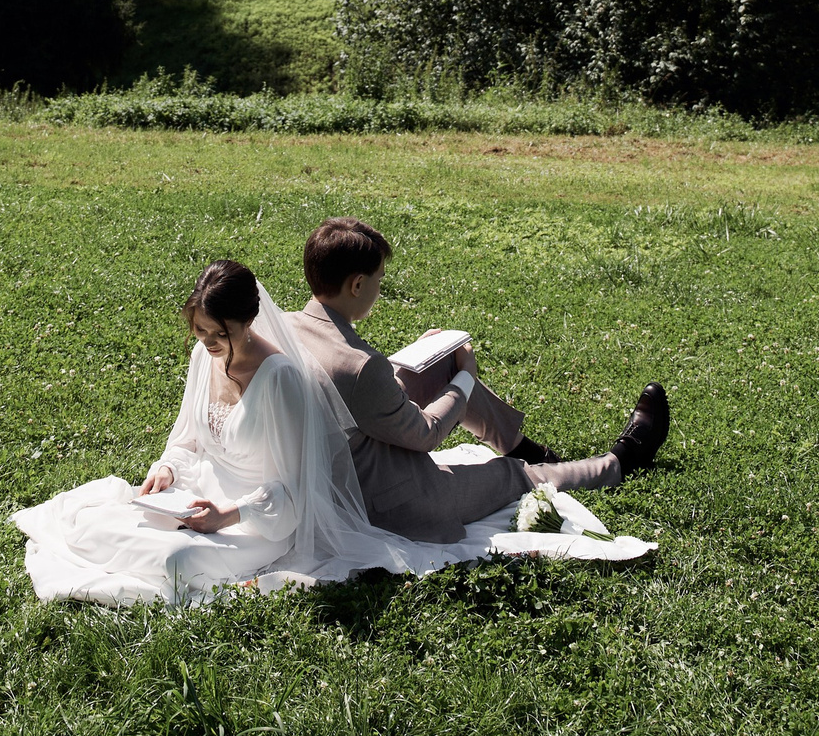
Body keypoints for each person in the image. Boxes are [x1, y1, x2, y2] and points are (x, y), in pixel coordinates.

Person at [12, 260, 418, 607]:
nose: (207, 342)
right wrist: (168, 469)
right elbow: (187, 439)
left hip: (257, 517)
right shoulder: (203, 357)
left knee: (178, 562)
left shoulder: (280, 379)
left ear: (249, 322)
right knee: (89, 522)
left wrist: (228, 515)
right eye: (200, 331)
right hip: (195, 493)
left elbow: (295, 490)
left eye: (219, 333)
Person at [287, 217, 670, 544]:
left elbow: (346, 385)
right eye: (379, 281)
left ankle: (525, 447)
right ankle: (618, 463)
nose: (380, 290)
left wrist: (416, 359)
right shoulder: (360, 366)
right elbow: (425, 434)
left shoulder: (287, 326)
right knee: (515, 474)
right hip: (390, 499)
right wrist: (467, 377)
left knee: (436, 365)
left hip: (352, 448)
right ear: (357, 285)